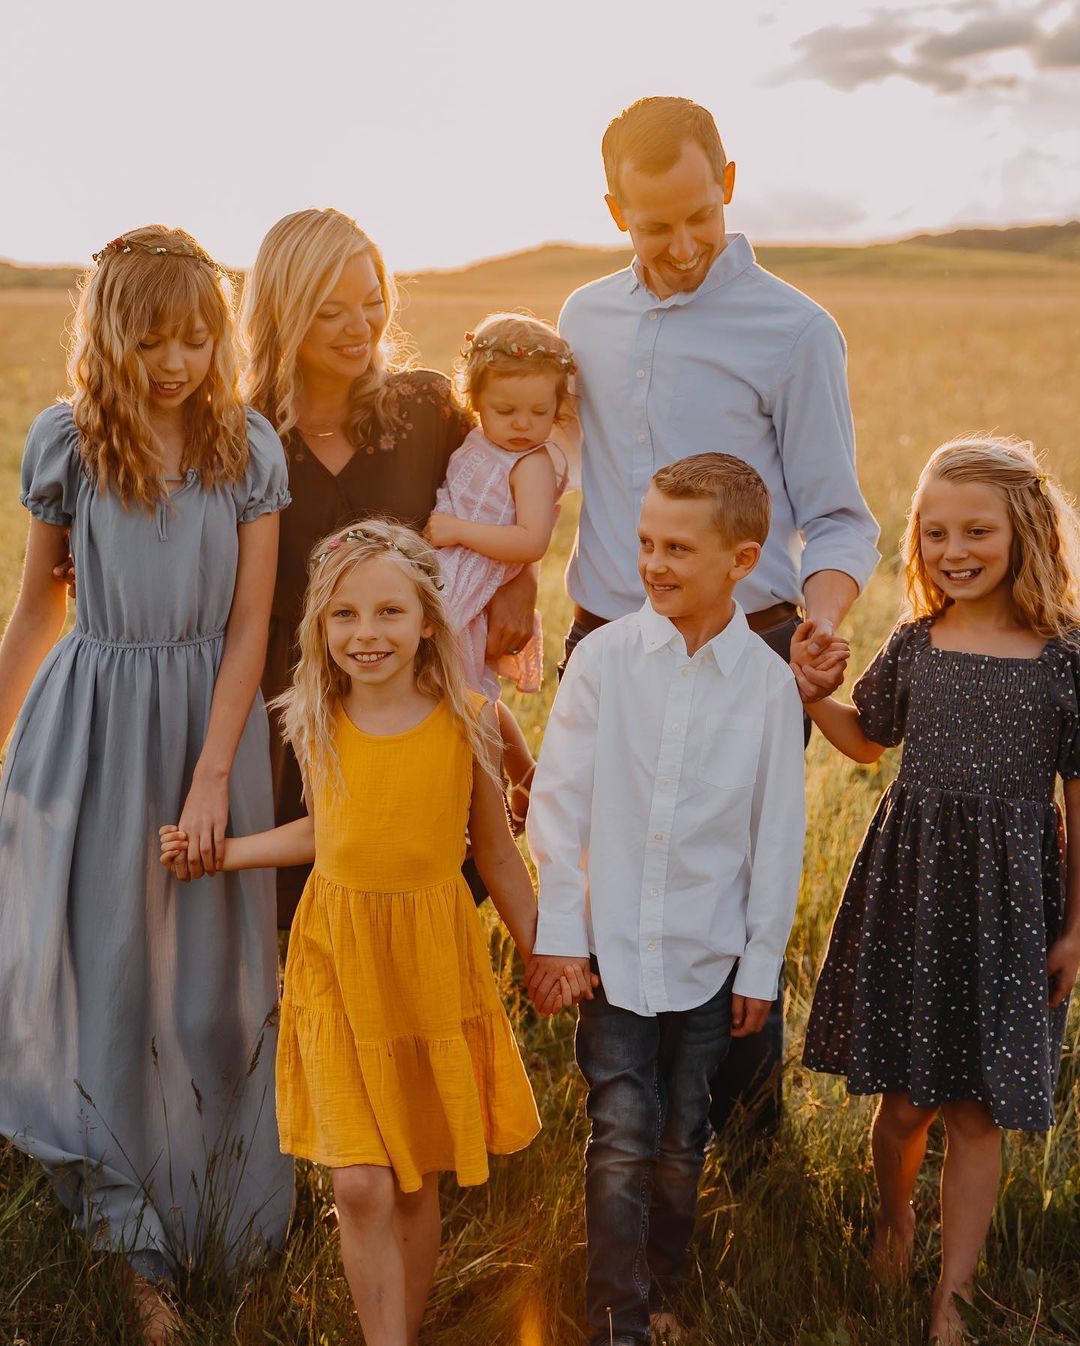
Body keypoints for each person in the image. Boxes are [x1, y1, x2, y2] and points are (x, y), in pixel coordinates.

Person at [160, 519, 579, 1346]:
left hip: (428, 963)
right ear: (322, 626)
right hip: (337, 961)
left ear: (430, 619)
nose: (367, 634)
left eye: (389, 612)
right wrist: (227, 852)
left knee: (416, 1181)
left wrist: (544, 949)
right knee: (359, 1184)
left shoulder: (471, 721)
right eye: (345, 615)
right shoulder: (318, 718)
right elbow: (326, 833)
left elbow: (496, 855)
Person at [558, 94, 879, 1141]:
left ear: (727, 183)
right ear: (615, 211)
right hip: (607, 642)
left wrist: (819, 622)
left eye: (700, 212)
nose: (685, 243)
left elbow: (837, 517)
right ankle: (622, 1128)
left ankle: (743, 1145)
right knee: (609, 887)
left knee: (731, 887)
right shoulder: (584, 318)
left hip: (750, 651)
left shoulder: (796, 329)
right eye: (656, 226)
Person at [0, 227, 293, 1344]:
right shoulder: (69, 443)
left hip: (204, 733)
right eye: (152, 336)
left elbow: (250, 629)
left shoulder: (245, 446)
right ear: (109, 332)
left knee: (213, 983)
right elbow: (42, 607)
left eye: (195, 334)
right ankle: (131, 1247)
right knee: (109, 971)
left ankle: (223, 1215)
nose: (175, 360)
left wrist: (216, 775)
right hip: (90, 723)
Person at [526, 455, 823, 1346]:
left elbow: (776, 837)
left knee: (681, 1133)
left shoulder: (768, 687)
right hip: (611, 953)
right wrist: (564, 936)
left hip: (704, 957)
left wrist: (760, 965)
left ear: (741, 560)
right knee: (620, 1129)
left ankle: (663, 1291)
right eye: (647, 542)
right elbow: (558, 804)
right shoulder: (606, 662)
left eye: (679, 549)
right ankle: (616, 1316)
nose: (654, 563)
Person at [795, 438, 1080, 1346]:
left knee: (976, 1105)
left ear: (1025, 530)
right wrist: (813, 695)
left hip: (1011, 901)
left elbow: (1079, 799)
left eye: (977, 531)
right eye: (936, 531)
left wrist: (1076, 926)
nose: (954, 549)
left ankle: (953, 1294)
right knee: (908, 1101)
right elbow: (868, 739)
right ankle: (893, 1221)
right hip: (912, 887)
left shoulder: (1064, 656)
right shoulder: (918, 640)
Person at [242, 209, 539, 923]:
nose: (360, 325)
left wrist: (522, 580)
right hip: (291, 700)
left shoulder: (426, 406)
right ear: (283, 313)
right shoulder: (244, 433)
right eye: (331, 310)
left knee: (420, 894)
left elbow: (506, 486)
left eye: (372, 300)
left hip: (415, 697)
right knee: (298, 913)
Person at [423, 312, 573, 827]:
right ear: (476, 400)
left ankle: (484, 802)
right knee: (456, 693)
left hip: (471, 580)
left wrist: (457, 531)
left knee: (465, 697)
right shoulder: (478, 439)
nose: (523, 425)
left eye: (540, 411)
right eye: (505, 410)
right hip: (447, 572)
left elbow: (531, 541)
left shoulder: (529, 462)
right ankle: (525, 775)